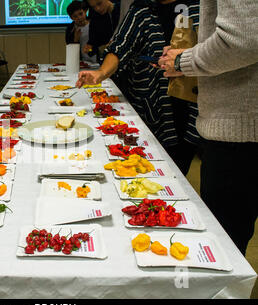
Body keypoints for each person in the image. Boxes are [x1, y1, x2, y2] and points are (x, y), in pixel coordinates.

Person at [158, 0, 258, 255]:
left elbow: (240, 40)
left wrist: (183, 60)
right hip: (239, 127)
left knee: (224, 249)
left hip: (239, 130)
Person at [76, 0, 201, 175]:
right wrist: (101, 73)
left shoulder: (200, 5)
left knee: (182, 160)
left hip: (195, 102)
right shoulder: (142, 9)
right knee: (154, 162)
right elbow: (119, 46)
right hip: (153, 103)